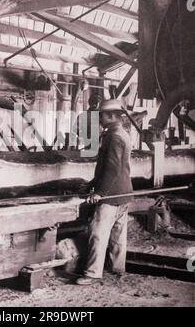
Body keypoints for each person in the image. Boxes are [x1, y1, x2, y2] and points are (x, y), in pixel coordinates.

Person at [76, 99, 133, 285]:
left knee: (98, 232)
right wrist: (91, 183)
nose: (99, 119)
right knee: (118, 233)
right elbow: (108, 167)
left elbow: (112, 168)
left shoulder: (114, 136)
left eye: (101, 115)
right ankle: (117, 268)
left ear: (111, 115)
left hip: (111, 195)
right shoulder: (122, 133)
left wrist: (100, 192)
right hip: (124, 191)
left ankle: (92, 273)